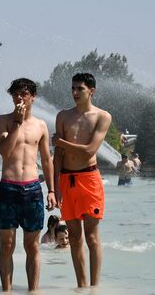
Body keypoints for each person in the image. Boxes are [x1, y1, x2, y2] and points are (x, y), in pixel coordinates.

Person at [0, 78, 57, 292]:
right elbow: (5, 152)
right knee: (7, 245)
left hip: (32, 190)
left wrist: (52, 190)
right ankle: (7, 291)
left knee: (32, 246)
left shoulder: (40, 125)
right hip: (8, 188)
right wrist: (17, 123)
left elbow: (47, 160)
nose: (18, 98)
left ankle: (33, 291)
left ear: (33, 97)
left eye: (23, 94)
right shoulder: (2, 121)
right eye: (15, 94)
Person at [52, 73, 112, 288]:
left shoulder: (102, 116)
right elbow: (57, 155)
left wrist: (61, 142)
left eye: (80, 89)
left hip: (89, 179)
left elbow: (89, 151)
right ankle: (82, 287)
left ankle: (95, 288)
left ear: (91, 91)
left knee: (92, 238)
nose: (75, 93)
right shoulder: (62, 116)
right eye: (73, 89)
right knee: (75, 238)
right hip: (67, 180)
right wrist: (54, 187)